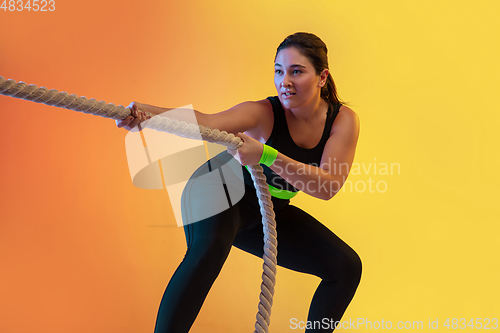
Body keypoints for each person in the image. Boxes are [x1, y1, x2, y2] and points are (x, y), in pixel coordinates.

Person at [117, 32, 361, 333]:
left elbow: (327, 187)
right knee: (210, 250)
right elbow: (205, 122)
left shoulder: (342, 121)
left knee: (346, 267)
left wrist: (267, 155)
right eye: (278, 71)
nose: (284, 81)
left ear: (322, 77)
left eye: (296, 71)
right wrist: (145, 114)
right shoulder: (263, 113)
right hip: (216, 189)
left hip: (268, 208)